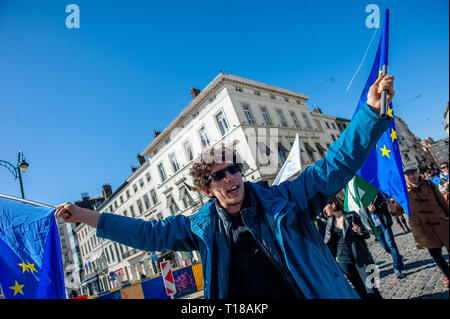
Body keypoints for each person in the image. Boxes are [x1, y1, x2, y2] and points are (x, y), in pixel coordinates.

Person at [55, 75, 395, 299]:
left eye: (234, 168)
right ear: (207, 189)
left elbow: (333, 166)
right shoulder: (199, 228)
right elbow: (147, 233)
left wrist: (370, 113)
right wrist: (85, 215)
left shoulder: (285, 199)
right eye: (220, 175)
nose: (231, 177)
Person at [323, 196, 382, 299]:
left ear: (333, 205)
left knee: (371, 286)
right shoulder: (329, 223)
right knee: (359, 289)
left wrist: (359, 230)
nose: (323, 209)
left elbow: (367, 235)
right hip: (343, 260)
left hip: (360, 256)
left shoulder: (352, 215)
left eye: (325, 206)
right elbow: (329, 243)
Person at [404, 166, 449, 289]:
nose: (412, 177)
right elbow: (397, 209)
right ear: (405, 177)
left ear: (417, 173)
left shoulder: (428, 184)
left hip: (441, 223)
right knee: (436, 256)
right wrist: (393, 209)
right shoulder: (403, 192)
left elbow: (442, 202)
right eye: (409, 175)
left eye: (413, 173)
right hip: (424, 230)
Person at [367, 193, 405, 279]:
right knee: (386, 247)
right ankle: (399, 258)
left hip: (384, 222)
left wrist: (376, 208)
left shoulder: (375, 192)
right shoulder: (361, 198)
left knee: (391, 244)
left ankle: (397, 268)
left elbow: (385, 203)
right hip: (375, 226)